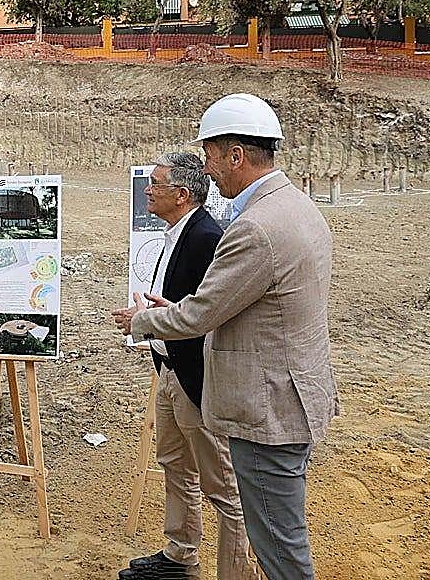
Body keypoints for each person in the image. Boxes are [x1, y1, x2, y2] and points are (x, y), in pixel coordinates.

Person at [114, 93, 337, 580]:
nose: (208, 169)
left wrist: (142, 322)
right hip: (290, 396)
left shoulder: (255, 228)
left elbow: (201, 314)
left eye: (211, 155)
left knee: (279, 548)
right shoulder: (297, 207)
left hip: (266, 408)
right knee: (279, 535)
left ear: (236, 154)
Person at [120, 152, 256, 580]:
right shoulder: (179, 231)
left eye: (155, 184)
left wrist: (157, 318)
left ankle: (236, 572)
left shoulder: (204, 238)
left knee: (222, 485)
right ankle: (180, 555)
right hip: (169, 369)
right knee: (175, 464)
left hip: (196, 378)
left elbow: (211, 313)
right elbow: (189, 305)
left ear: (181, 194)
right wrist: (167, 312)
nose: (148, 190)